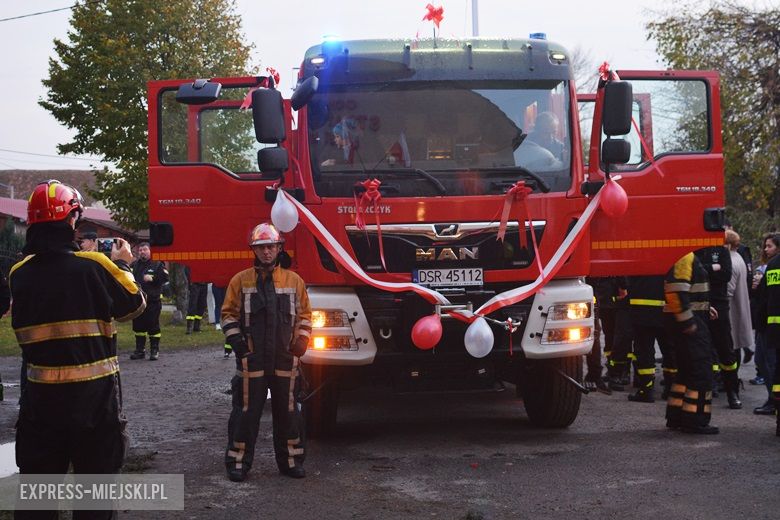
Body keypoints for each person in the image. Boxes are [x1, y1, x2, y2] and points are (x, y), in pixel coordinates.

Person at [10, 180, 146, 518]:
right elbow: (134, 305)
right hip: (94, 404)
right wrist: (123, 263)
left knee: (38, 502)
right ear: (72, 219)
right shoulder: (95, 266)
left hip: (38, 405)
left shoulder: (18, 274)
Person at [222, 222, 312, 481]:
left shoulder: (294, 281)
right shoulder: (240, 281)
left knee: (289, 413)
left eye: (270, 247)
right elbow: (228, 314)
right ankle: (238, 463)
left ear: (278, 248)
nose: (266, 252)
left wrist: (302, 340)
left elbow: (305, 315)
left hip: (286, 358)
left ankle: (292, 461)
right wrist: (237, 342)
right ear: (254, 250)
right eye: (261, 248)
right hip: (252, 359)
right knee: (246, 413)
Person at [664, 252, 719, 434]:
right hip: (690, 325)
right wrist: (688, 321)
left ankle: (677, 417)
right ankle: (696, 421)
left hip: (690, 320)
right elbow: (675, 289)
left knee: (686, 372)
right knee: (701, 372)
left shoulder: (685, 255)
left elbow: (686, 291)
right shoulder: (685, 256)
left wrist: (704, 307)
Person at [695, 243, 741, 408]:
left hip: (719, 305)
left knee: (726, 351)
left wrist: (705, 269)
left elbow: (726, 274)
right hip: (699, 305)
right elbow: (694, 274)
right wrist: (712, 268)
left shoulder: (721, 250)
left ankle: (732, 392)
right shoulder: (695, 249)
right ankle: (706, 390)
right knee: (701, 351)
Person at [625, 275, 675, 403]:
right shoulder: (670, 256)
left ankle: (646, 390)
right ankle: (670, 389)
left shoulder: (638, 255)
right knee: (670, 350)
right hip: (666, 310)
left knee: (644, 351)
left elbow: (625, 278)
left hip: (642, 310)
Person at [753, 233, 780, 415]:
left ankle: (774, 402)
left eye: (769, 246)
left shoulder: (773, 266)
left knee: (771, 366)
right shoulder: (772, 266)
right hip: (769, 326)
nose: (765, 249)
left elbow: (765, 299)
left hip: (771, 328)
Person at [130, 242, 169, 361]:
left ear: (150, 251)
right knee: (138, 327)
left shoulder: (157, 264)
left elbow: (165, 278)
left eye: (145, 250)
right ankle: (140, 350)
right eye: (140, 250)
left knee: (153, 326)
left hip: (153, 301)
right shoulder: (135, 265)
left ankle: (154, 350)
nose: (142, 252)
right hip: (138, 301)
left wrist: (153, 278)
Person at [725, 230, 754, 372]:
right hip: (739, 306)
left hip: (732, 310)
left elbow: (728, 291)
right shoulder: (739, 257)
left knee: (732, 345)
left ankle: (731, 379)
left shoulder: (730, 261)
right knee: (735, 343)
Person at [184, 267, 208, 334]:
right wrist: (191, 281)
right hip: (195, 285)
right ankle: (189, 327)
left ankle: (196, 326)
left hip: (204, 284)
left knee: (202, 305)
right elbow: (187, 270)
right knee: (193, 305)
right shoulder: (192, 261)